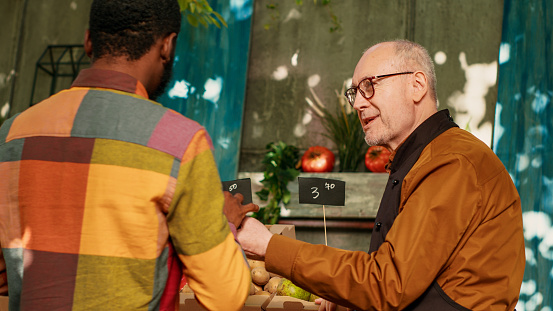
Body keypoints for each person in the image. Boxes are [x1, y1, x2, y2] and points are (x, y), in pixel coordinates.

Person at [0, 0, 258, 310]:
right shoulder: (181, 141)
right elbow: (226, 294)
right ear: (168, 45)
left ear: (88, 41)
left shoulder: (11, 134)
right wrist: (224, 225)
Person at [237, 40, 525, 311]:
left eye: (369, 86)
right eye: (355, 93)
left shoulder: (452, 163)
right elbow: (405, 278)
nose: (358, 104)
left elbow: (388, 283)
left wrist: (269, 245)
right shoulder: (421, 157)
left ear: (417, 85)